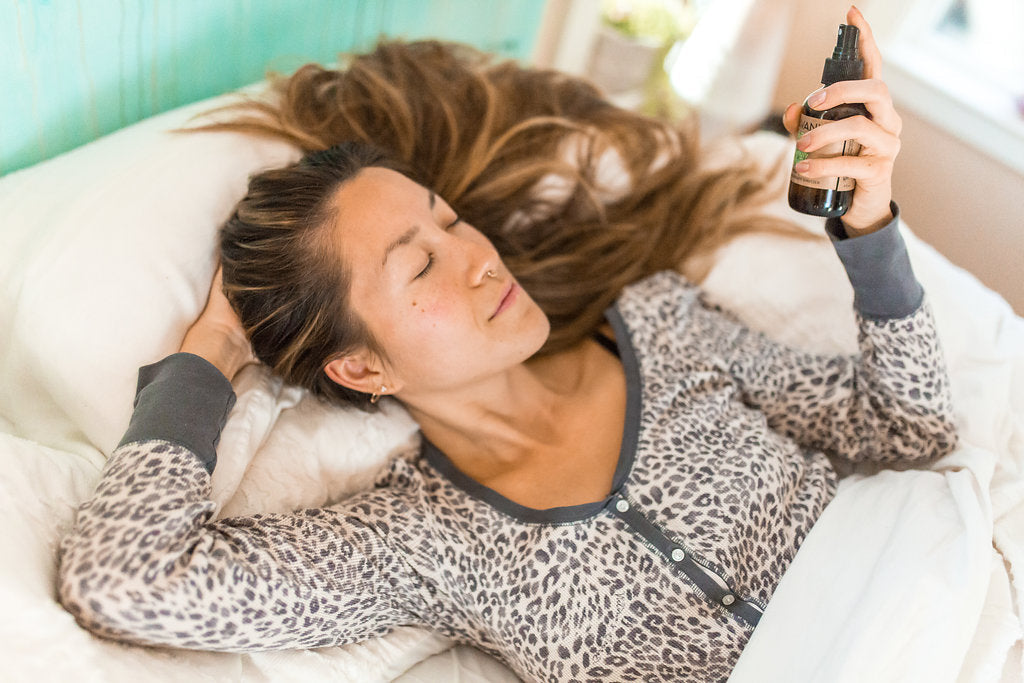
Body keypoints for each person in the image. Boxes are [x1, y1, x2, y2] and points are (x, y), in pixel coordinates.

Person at [56, 8, 957, 682]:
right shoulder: (417, 541)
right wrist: (213, 349)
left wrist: (867, 222)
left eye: (451, 222)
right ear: (363, 366)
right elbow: (121, 581)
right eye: (419, 267)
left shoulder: (659, 319)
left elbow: (909, 431)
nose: (478, 258)